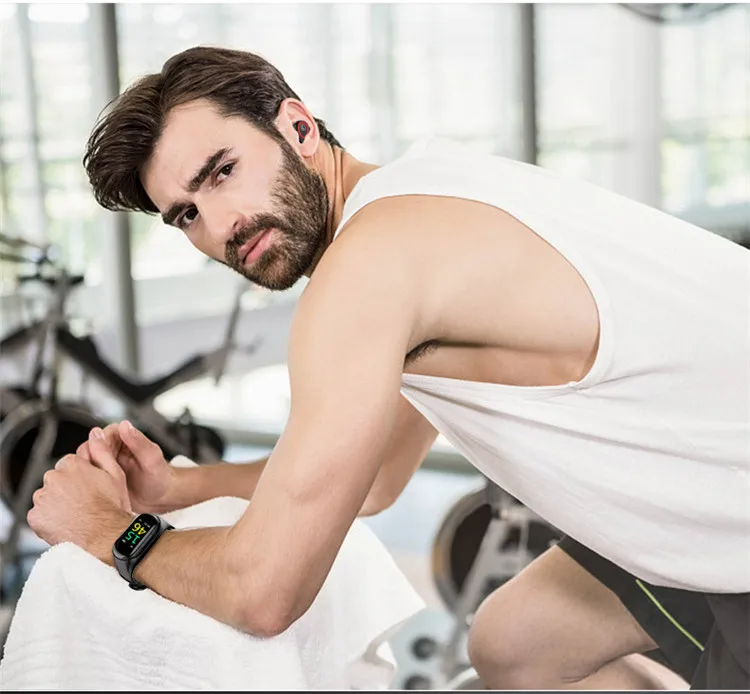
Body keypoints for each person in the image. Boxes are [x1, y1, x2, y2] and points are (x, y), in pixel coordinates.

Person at [28, 46, 748, 690]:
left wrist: (108, 533)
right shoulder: (421, 193)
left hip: (735, 525)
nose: (220, 226)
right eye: (185, 214)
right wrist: (180, 486)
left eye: (222, 173)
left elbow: (263, 593)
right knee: (514, 645)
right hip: (715, 482)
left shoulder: (365, 271)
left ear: (299, 129)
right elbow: (372, 479)